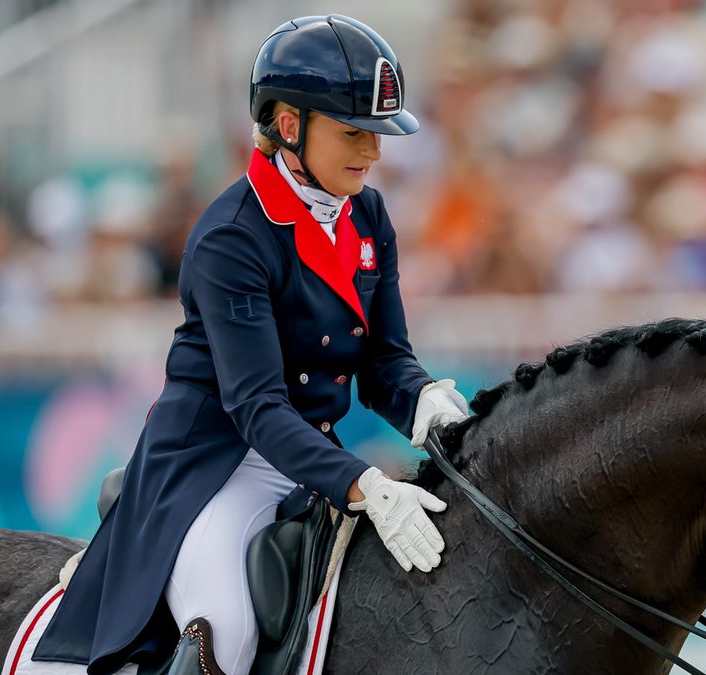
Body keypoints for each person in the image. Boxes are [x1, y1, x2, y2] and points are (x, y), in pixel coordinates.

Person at [33, 14, 469, 675]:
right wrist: (365, 483)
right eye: (353, 133)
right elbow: (257, 407)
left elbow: (383, 359)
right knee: (228, 633)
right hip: (218, 467)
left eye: (376, 135)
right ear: (289, 125)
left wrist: (426, 405)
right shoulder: (232, 238)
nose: (373, 153)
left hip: (308, 456)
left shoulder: (367, 213)